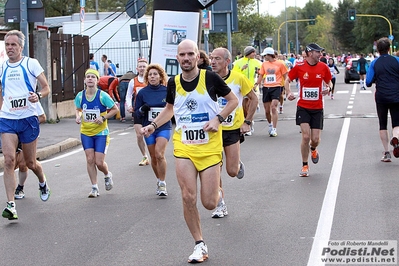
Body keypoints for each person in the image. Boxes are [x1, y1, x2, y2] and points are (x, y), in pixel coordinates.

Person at [141, 39, 238, 263]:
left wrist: (218, 118)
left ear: (197, 56)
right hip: (184, 145)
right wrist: (153, 125)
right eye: (182, 55)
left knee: (209, 203)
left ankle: (219, 195)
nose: (186, 58)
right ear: (177, 58)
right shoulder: (174, 83)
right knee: (187, 196)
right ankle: (199, 244)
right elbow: (170, 109)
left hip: (210, 147)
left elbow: (233, 101)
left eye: (190, 54)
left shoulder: (210, 78)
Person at [0, 30, 51, 220]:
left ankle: (42, 181)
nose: (10, 48)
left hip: (28, 118)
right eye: (7, 45)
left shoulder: (31, 64)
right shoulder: (2, 67)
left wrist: (38, 96)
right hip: (7, 119)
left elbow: (46, 87)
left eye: (13, 45)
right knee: (9, 160)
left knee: (30, 163)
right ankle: (11, 205)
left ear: (21, 47)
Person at [209, 47, 258, 218]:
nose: (213, 62)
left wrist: (248, 121)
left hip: (232, 129)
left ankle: (237, 163)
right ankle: (220, 204)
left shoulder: (238, 78)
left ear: (227, 61)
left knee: (231, 171)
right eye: (211, 58)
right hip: (212, 130)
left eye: (217, 59)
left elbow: (254, 98)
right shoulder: (206, 79)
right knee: (215, 169)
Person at [285, 43, 332, 177]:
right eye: (318, 52)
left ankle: (313, 149)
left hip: (317, 108)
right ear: (310, 53)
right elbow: (287, 80)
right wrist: (288, 92)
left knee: (315, 139)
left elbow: (329, 82)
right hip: (303, 107)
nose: (320, 55)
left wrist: (328, 88)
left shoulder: (323, 67)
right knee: (305, 136)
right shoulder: (299, 67)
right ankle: (305, 165)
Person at [74, 69, 119, 198]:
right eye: (87, 77)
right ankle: (94, 187)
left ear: (97, 80)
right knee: (90, 159)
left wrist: (103, 117)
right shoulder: (80, 96)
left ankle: (107, 174)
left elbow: (115, 109)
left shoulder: (102, 96)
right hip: (86, 132)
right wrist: (78, 116)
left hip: (101, 132)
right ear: (84, 80)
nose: (90, 79)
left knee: (99, 162)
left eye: (93, 77)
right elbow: (78, 109)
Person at [134, 64, 171, 196]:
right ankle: (158, 179)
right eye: (150, 74)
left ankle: (162, 183)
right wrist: (142, 109)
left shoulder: (166, 91)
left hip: (164, 127)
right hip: (148, 128)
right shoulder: (142, 93)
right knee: (154, 157)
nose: (152, 76)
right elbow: (136, 113)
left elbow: (172, 109)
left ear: (161, 76)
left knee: (159, 153)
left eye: (155, 74)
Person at [366, 37, 399, 162]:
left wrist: (376, 79)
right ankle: (396, 137)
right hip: (396, 95)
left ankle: (386, 153)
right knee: (397, 122)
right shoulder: (397, 60)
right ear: (389, 49)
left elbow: (368, 81)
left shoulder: (374, 63)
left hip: (381, 96)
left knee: (382, 123)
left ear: (378, 50)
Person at [14, 102, 47, 199]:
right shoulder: (7, 97)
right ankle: (17, 191)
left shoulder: (31, 98)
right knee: (11, 163)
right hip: (13, 133)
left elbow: (42, 117)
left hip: (29, 132)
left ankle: (42, 183)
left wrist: (26, 126)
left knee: (28, 163)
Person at [256, 47, 288, 137]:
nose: (264, 57)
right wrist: (256, 84)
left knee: (273, 107)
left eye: (265, 55)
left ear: (269, 55)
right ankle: (270, 124)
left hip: (277, 86)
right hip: (266, 87)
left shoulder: (280, 64)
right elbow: (261, 75)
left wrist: (286, 87)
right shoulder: (264, 64)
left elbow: (286, 76)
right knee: (267, 111)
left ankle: (274, 128)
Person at [232, 46, 262, 134]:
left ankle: (249, 124)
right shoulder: (238, 62)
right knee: (244, 107)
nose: (255, 54)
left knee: (249, 106)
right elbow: (234, 74)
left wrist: (257, 83)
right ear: (248, 53)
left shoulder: (258, 63)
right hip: (241, 87)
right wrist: (242, 69)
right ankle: (248, 121)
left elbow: (262, 74)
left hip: (253, 87)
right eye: (253, 52)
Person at [126, 59, 150, 166]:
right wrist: (129, 106)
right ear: (137, 68)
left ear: (147, 67)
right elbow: (129, 95)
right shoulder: (133, 81)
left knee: (150, 134)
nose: (142, 68)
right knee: (139, 135)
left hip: (150, 111)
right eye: (140, 67)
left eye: (144, 66)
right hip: (138, 110)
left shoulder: (151, 79)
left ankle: (154, 154)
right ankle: (144, 156)